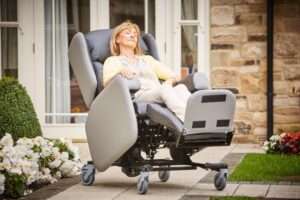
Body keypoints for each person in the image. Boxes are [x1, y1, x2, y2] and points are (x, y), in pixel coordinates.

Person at [103, 21, 191, 122]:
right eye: (128, 33)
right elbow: (107, 84)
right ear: (117, 39)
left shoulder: (147, 59)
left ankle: (200, 121)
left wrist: (169, 81)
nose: (132, 36)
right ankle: (188, 122)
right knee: (165, 90)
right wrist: (120, 72)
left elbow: (175, 76)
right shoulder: (113, 61)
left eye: (135, 35)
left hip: (158, 92)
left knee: (181, 88)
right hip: (138, 96)